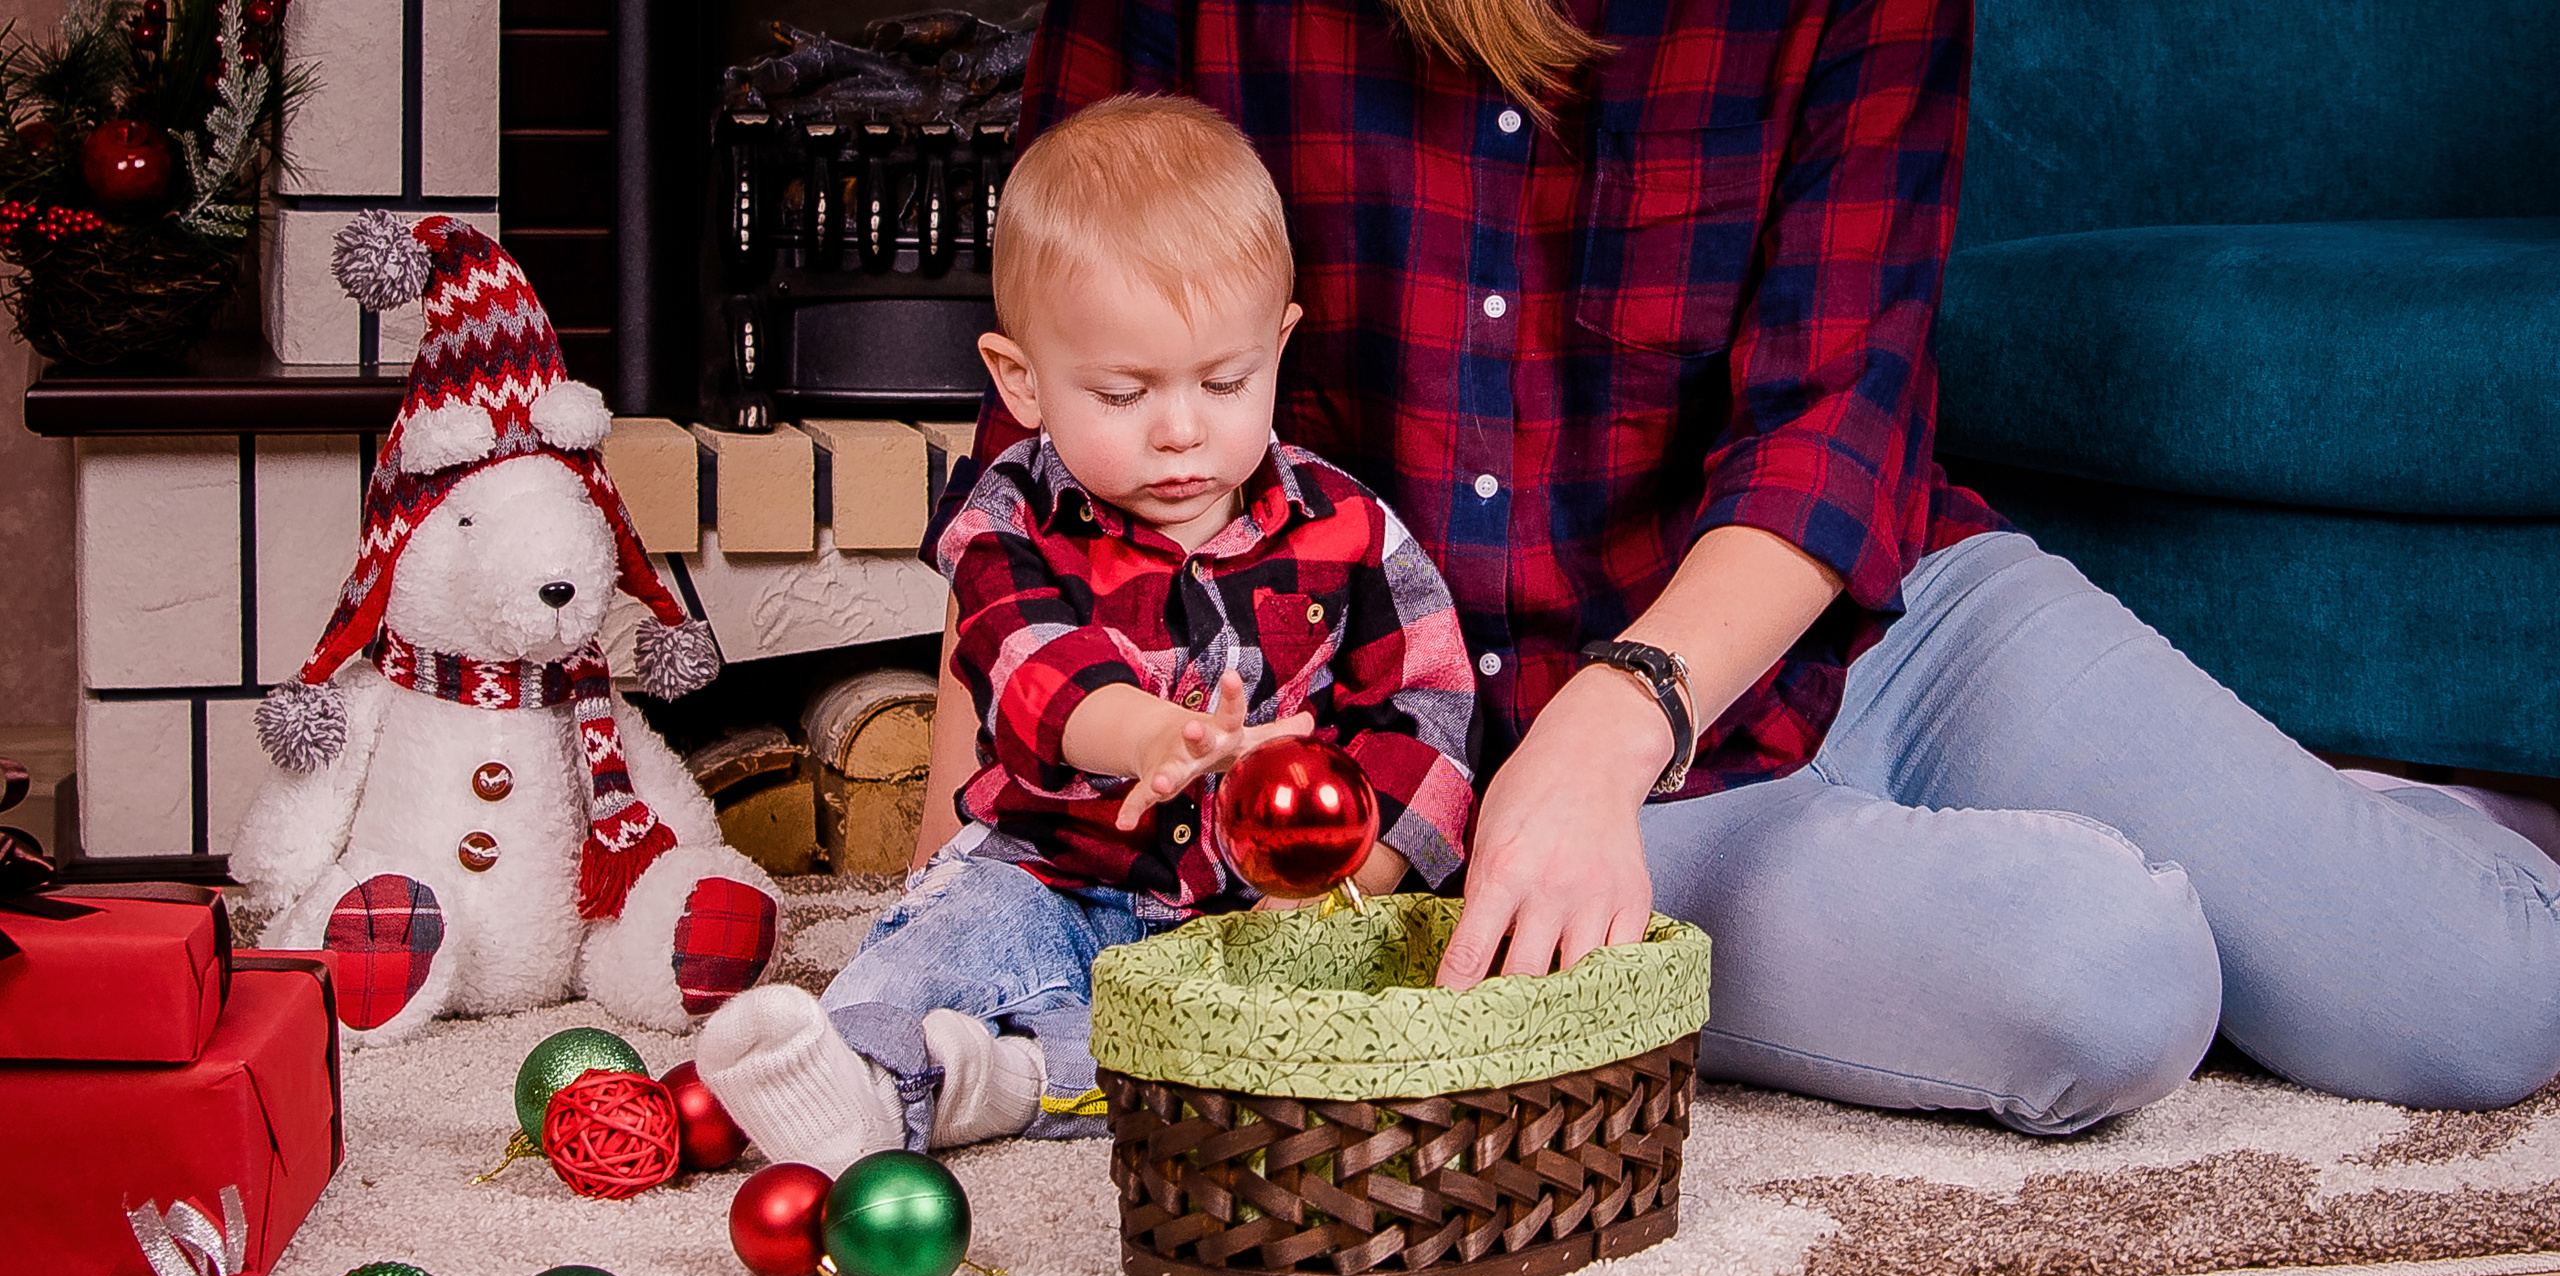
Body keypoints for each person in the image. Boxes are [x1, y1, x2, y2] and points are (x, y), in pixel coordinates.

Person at [904, 0, 2560, 1136]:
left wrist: (1616, 718)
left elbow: (1843, 408)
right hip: (1480, 785)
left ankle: (2370, 825)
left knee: (2481, 1005)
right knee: (2111, 985)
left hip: (1864, 616)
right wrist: (966, 867)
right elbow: (1047, 425)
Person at [698, 95, 1476, 1168]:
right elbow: (1034, 672)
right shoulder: (1001, 519)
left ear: (1279, 345)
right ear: (1022, 382)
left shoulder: (1349, 529)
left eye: (1226, 380)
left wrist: (1359, 880)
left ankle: (997, 1079)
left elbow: (1428, 702)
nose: (1181, 429)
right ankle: (853, 1062)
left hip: (1254, 919)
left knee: (1280, 1055)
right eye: (1122, 392)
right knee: (944, 939)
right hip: (1053, 879)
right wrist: (1149, 737)